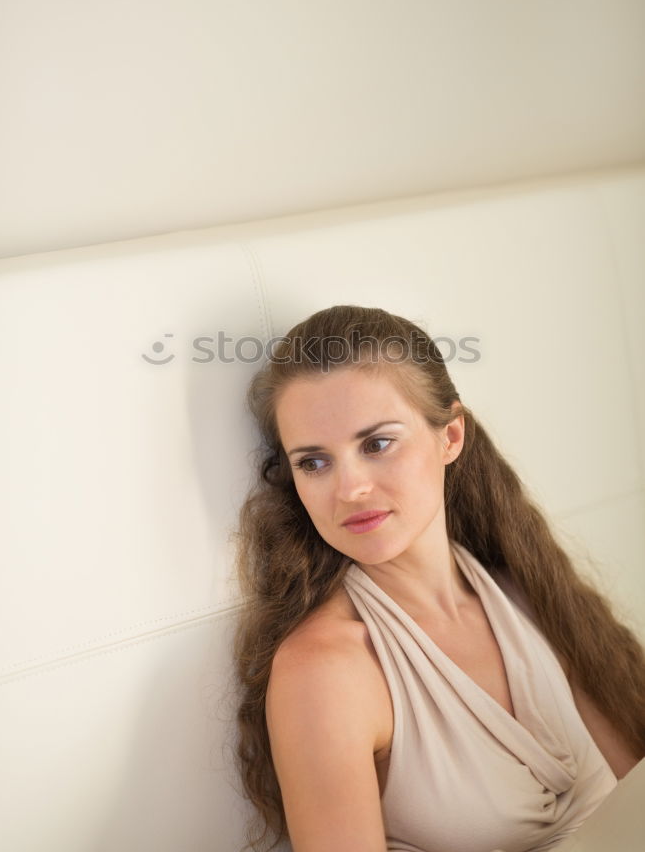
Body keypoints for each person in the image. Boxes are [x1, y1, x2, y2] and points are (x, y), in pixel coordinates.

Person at [231, 305, 645, 852]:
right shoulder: (326, 671)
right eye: (313, 462)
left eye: (376, 444)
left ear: (450, 437)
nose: (349, 488)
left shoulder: (529, 592)